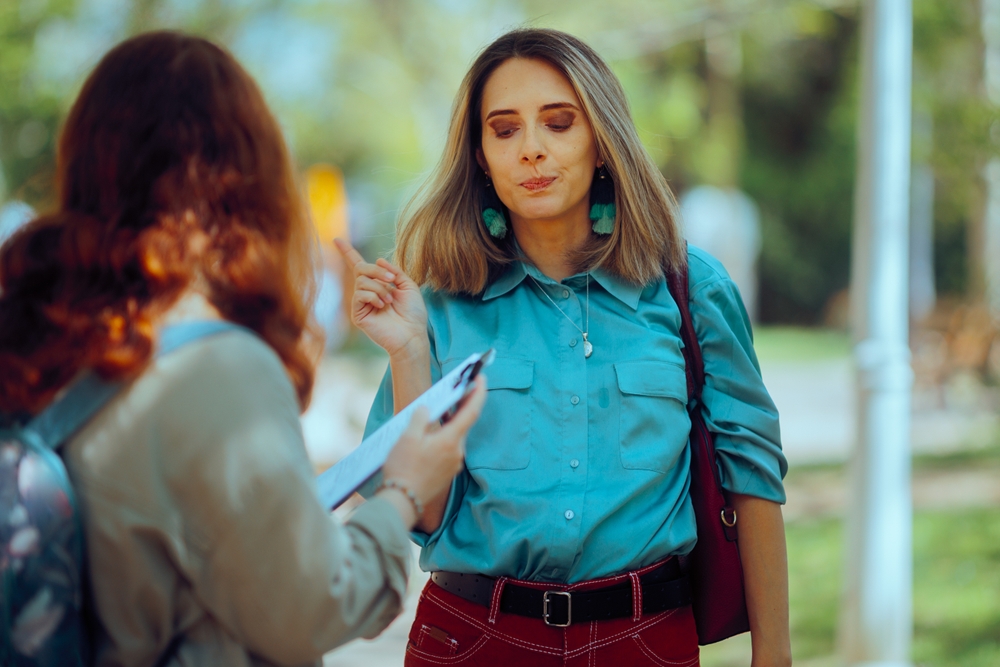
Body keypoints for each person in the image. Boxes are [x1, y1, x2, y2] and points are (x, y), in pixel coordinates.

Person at [0, 31, 485, 667]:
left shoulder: (46, 333)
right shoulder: (215, 364)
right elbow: (310, 610)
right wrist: (403, 490)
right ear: (248, 174)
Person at [339, 27, 790, 667]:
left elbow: (753, 478)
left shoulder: (691, 290)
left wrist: (775, 656)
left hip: (645, 642)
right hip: (473, 641)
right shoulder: (436, 306)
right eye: (504, 130)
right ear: (479, 157)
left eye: (558, 122)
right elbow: (423, 515)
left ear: (600, 141)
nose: (531, 150)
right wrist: (410, 353)